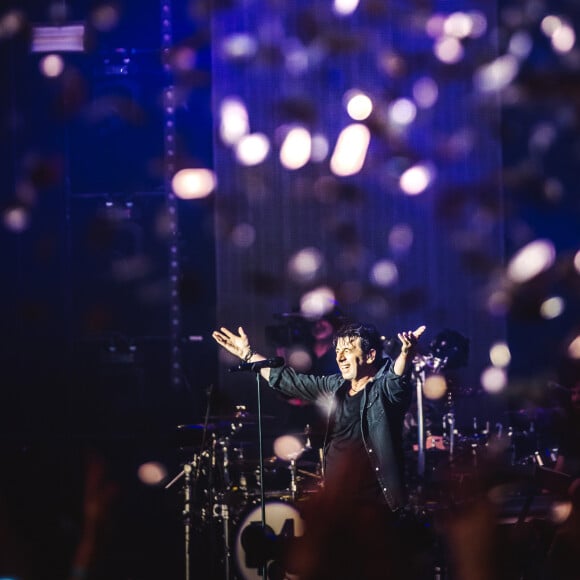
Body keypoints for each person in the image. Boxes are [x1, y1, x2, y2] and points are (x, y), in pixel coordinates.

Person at [212, 321, 426, 579]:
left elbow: (396, 382)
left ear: (370, 355)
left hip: (375, 508)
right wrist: (248, 355)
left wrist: (405, 354)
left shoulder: (382, 390)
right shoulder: (334, 387)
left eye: (348, 350)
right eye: (337, 350)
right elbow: (290, 380)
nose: (340, 356)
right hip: (337, 506)